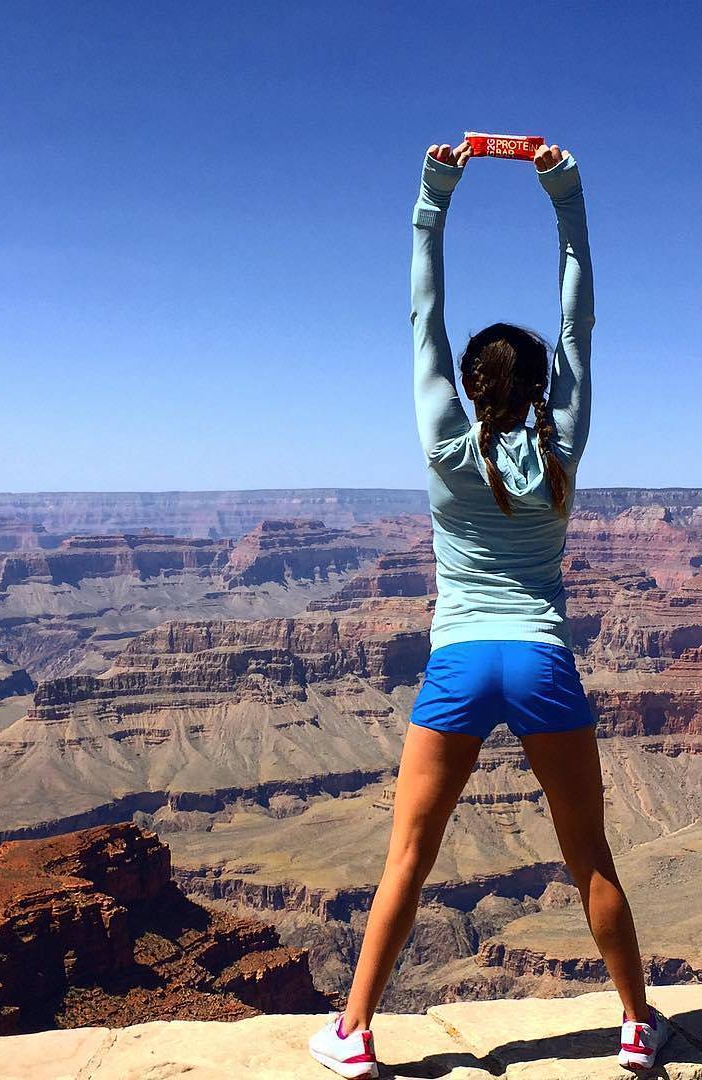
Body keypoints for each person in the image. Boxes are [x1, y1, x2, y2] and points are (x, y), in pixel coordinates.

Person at [309, 141, 671, 1078]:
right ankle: (636, 1027)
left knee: (408, 861)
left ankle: (353, 1035)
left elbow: (422, 306)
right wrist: (565, 192)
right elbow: (580, 316)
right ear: (543, 388)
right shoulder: (564, 446)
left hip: (461, 663)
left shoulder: (442, 442)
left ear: (470, 385)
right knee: (589, 855)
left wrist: (437, 192)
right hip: (543, 660)